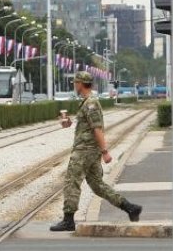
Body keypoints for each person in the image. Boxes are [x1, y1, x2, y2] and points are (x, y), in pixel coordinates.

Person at [50, 71, 142, 232]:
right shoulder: (86, 102)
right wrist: (69, 123)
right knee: (97, 185)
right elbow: (87, 126)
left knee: (71, 182)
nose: (74, 85)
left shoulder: (90, 103)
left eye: (75, 82)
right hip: (89, 151)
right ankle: (130, 207)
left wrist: (105, 151)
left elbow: (97, 129)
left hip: (84, 151)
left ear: (80, 83)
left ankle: (68, 219)